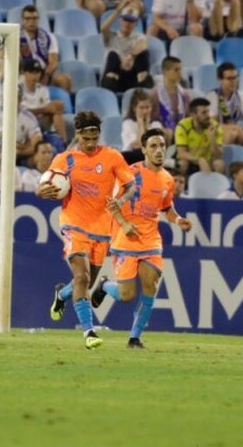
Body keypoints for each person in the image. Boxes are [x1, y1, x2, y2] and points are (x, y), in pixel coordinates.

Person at [40, 111, 135, 349]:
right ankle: (89, 333)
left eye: (95, 138)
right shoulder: (65, 160)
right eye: (86, 139)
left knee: (85, 281)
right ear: (78, 135)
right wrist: (40, 191)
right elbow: (45, 185)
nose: (91, 144)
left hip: (103, 228)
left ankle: (61, 295)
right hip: (74, 224)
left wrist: (121, 202)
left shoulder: (112, 157)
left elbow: (131, 186)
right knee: (81, 276)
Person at [90, 127, 192, 348]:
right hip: (125, 239)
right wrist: (125, 224)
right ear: (144, 149)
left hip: (150, 240)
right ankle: (106, 286)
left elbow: (167, 207)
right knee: (126, 295)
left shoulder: (167, 179)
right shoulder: (131, 174)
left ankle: (134, 338)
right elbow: (111, 203)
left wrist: (178, 220)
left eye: (162, 146)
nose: (159, 150)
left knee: (150, 284)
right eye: (153, 146)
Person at [100, 0, 152, 94]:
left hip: (131, 77)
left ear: (135, 23)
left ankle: (142, 90)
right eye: (125, 19)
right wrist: (118, 10)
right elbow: (103, 29)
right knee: (113, 56)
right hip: (115, 77)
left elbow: (143, 45)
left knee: (144, 54)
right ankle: (110, 93)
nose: (127, 23)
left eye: (131, 21)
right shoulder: (112, 36)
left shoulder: (138, 37)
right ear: (120, 20)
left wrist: (131, 56)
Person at [206, 62, 243, 148]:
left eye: (235, 78)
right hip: (216, 133)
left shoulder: (241, 95)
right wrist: (235, 128)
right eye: (229, 78)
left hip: (238, 131)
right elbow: (212, 124)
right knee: (233, 134)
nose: (233, 82)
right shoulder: (212, 96)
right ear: (220, 80)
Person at [175, 97, 225, 175]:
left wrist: (212, 138)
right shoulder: (183, 126)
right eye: (204, 113)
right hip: (190, 161)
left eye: (208, 112)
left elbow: (217, 155)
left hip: (207, 162)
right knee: (182, 164)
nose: (208, 116)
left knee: (219, 164)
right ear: (193, 114)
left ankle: (215, 186)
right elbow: (182, 153)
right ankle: (181, 185)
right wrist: (199, 160)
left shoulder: (215, 126)